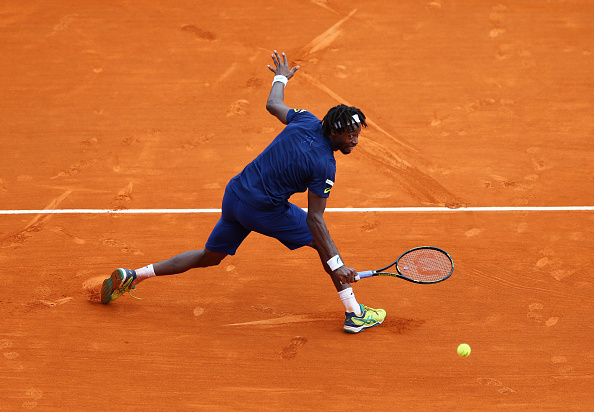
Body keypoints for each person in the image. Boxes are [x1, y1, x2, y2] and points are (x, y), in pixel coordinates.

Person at [101, 51, 386, 333]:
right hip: (263, 210)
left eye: (358, 133)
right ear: (335, 133)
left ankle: (134, 275)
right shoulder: (325, 164)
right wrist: (337, 265)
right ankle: (354, 313)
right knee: (322, 244)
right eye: (351, 135)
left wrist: (280, 78)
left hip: (235, 195)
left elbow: (273, 104)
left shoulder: (306, 119)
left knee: (209, 257)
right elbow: (315, 219)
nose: (356, 141)